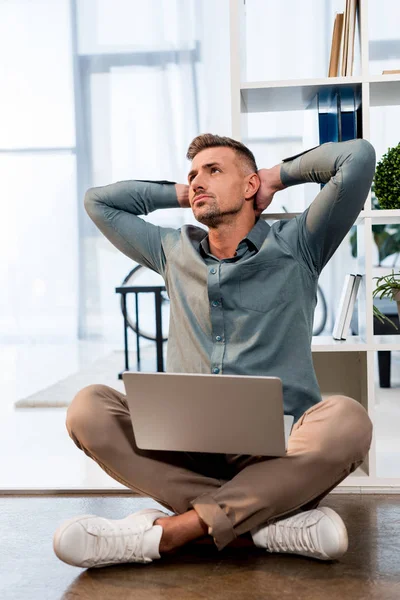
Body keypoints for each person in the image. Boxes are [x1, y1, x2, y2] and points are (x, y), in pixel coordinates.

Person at [53, 134, 375, 569]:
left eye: (214, 171)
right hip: (187, 450)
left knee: (348, 420)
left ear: (249, 186)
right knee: (87, 408)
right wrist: (184, 193)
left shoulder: (298, 244)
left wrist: (274, 178)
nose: (199, 180)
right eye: (193, 174)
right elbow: (99, 202)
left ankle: (171, 533)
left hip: (278, 454)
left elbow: (357, 158)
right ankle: (265, 523)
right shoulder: (171, 251)